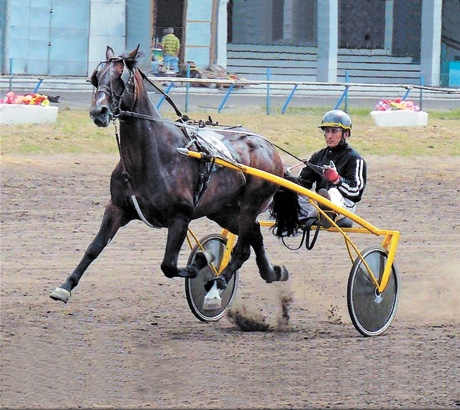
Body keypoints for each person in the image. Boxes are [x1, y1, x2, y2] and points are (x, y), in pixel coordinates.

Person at [288, 109, 367, 229]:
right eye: (327, 131)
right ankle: (320, 213)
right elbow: (304, 184)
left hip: (344, 207)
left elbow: (356, 193)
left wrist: (337, 180)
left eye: (334, 131)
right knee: (291, 193)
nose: (329, 136)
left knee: (333, 191)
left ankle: (328, 213)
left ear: (345, 134)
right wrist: (287, 180)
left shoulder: (355, 159)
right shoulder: (318, 156)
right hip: (320, 202)